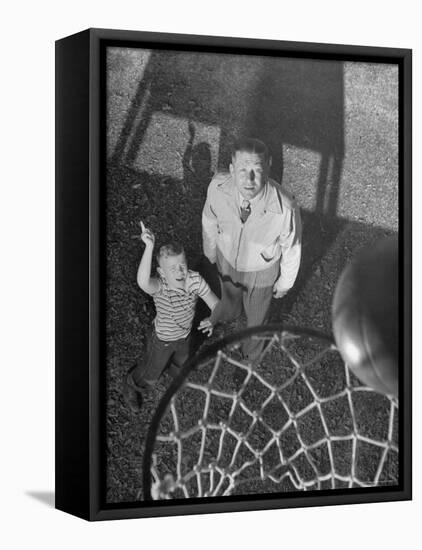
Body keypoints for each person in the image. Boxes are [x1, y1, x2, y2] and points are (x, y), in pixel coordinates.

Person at [202, 137, 302, 360]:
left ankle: (251, 356)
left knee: (257, 319)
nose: (249, 179)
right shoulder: (217, 188)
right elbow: (209, 220)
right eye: (242, 169)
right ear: (231, 168)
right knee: (229, 296)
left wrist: (285, 282)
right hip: (227, 259)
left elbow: (292, 247)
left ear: (268, 167)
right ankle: (229, 312)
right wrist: (209, 250)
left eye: (256, 170)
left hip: (261, 272)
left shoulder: (285, 207)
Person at [123, 222, 219, 413]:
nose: (179, 271)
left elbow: (215, 304)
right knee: (151, 373)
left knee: (181, 360)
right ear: (161, 272)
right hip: (162, 340)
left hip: (184, 336)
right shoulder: (160, 286)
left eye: (182, 265)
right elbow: (143, 282)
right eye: (172, 268)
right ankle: (132, 385)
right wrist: (149, 247)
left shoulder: (194, 280)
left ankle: (175, 374)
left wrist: (213, 319)